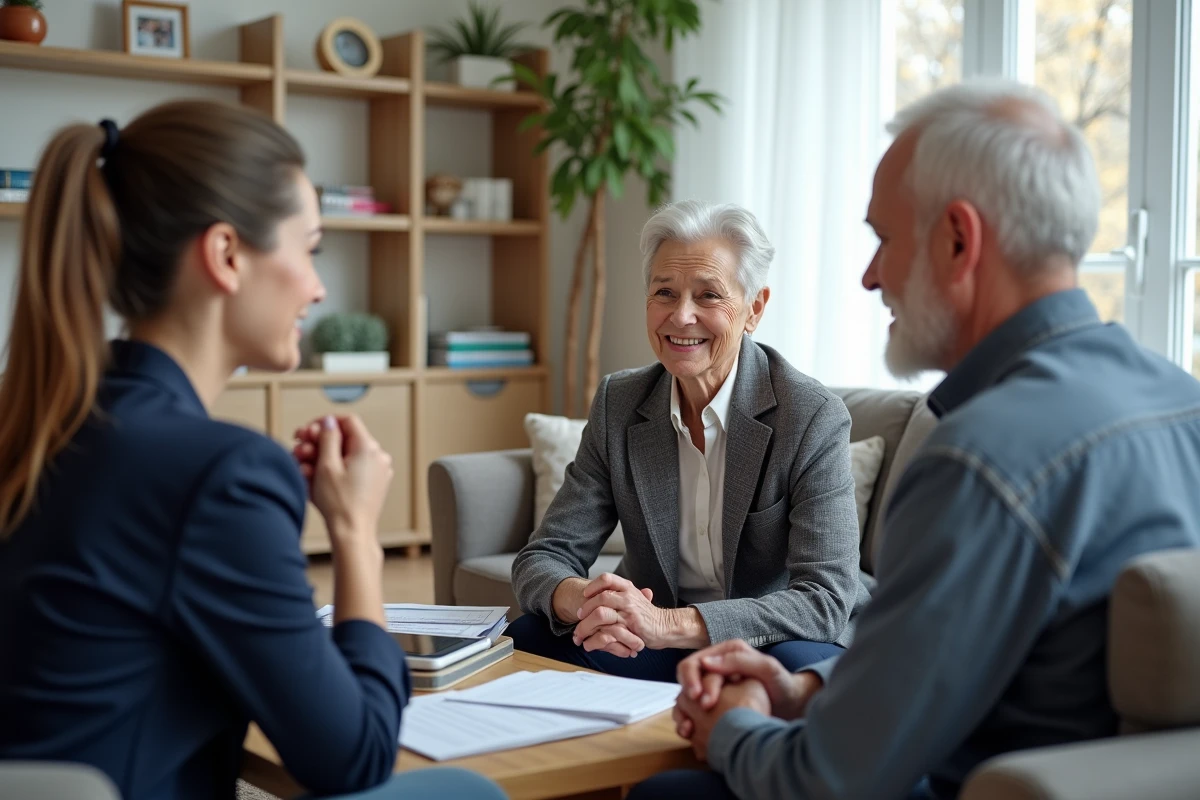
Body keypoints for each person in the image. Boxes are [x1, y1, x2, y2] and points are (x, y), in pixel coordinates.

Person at [629, 79, 1200, 800]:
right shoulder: (1183, 399)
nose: (870, 277)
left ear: (959, 240)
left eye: (885, 240)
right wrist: (805, 689)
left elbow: (826, 780)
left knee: (661, 793)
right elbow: (970, 656)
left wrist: (732, 729)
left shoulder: (980, 458)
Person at [0, 101, 505, 800]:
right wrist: (356, 533)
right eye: (311, 249)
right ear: (227, 255)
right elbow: (353, 756)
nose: (318, 288)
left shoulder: (37, 422)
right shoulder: (219, 472)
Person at [507, 200, 868, 682]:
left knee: (794, 674)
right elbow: (543, 557)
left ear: (754, 308)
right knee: (529, 634)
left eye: (708, 295)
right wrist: (588, 601)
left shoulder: (810, 415)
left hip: (771, 638)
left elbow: (824, 598)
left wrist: (669, 624)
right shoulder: (619, 403)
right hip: (653, 638)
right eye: (665, 292)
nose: (681, 316)